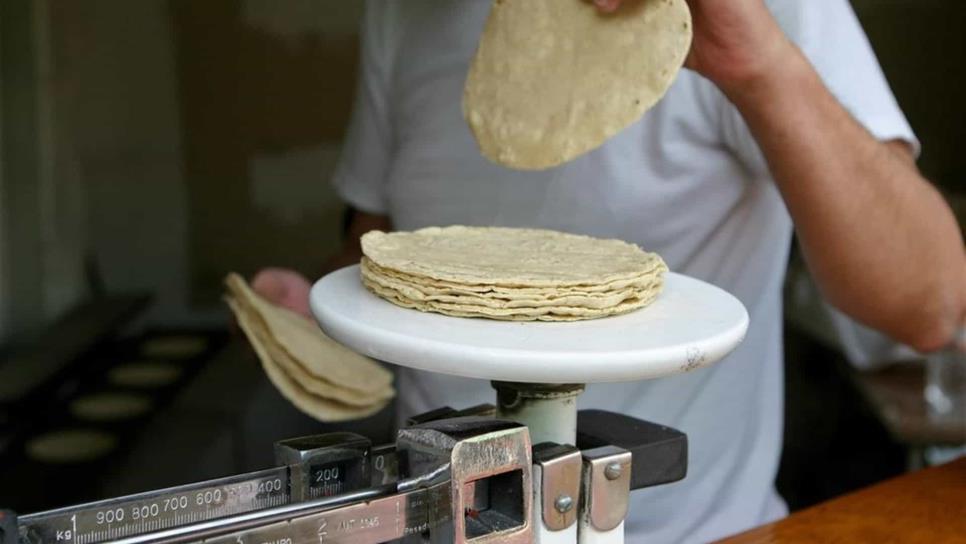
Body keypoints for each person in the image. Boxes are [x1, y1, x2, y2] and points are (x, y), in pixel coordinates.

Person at [253, 0, 966, 541]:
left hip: (696, 530)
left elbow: (927, 303)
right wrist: (311, 308)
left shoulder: (770, 12)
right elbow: (384, 248)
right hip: (440, 522)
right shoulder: (407, 13)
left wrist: (756, 61)